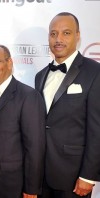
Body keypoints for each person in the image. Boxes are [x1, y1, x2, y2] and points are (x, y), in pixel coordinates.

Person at [35, 12, 100, 198]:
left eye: (66, 33)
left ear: (78, 36)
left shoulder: (95, 72)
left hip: (73, 176)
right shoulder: (40, 76)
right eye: (53, 33)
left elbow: (97, 129)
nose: (58, 39)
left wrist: (88, 176)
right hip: (40, 176)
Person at [0, 44, 46, 198]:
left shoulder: (29, 96)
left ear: (9, 63)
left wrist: (31, 188)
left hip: (14, 186)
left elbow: (35, 148)